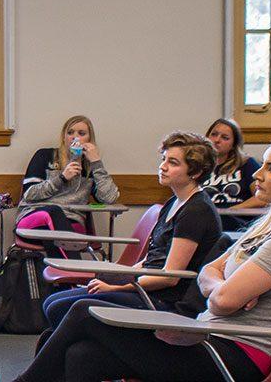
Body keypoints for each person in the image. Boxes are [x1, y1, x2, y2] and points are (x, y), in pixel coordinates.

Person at [16, 136, 271, 382]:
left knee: (82, 312)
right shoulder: (270, 223)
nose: (257, 175)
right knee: (82, 354)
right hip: (208, 336)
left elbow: (220, 300)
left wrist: (223, 288)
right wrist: (224, 285)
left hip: (235, 355)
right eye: (262, 164)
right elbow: (209, 272)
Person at [39, 132, 225, 333]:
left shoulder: (196, 211)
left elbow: (169, 277)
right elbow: (153, 259)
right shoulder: (174, 202)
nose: (163, 166)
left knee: (60, 307)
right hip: (146, 287)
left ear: (195, 172)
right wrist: (122, 276)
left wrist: (117, 287)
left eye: (173, 162)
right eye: (163, 159)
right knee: (53, 302)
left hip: (163, 299)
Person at [17, 115, 121, 258]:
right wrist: (62, 178)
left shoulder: (90, 168)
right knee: (53, 212)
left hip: (71, 222)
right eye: (70, 132)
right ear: (64, 137)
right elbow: (29, 195)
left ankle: (67, 279)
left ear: (89, 139)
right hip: (34, 218)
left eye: (81, 133)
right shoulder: (45, 156)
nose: (75, 137)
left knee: (57, 234)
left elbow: (109, 198)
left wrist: (96, 162)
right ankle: (77, 277)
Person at [200, 118, 262, 230]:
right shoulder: (198, 166)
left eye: (225, 138)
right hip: (206, 221)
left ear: (233, 144)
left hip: (238, 221)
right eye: (214, 134)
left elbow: (261, 198)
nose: (217, 140)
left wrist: (233, 209)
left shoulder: (247, 164)